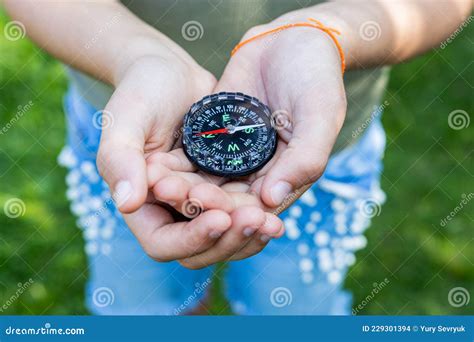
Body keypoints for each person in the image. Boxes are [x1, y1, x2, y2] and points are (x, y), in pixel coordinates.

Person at [4, 0, 471, 315]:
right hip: (129, 137)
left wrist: (326, 33)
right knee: (142, 310)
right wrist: (135, 55)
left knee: (292, 313)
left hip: (323, 147)